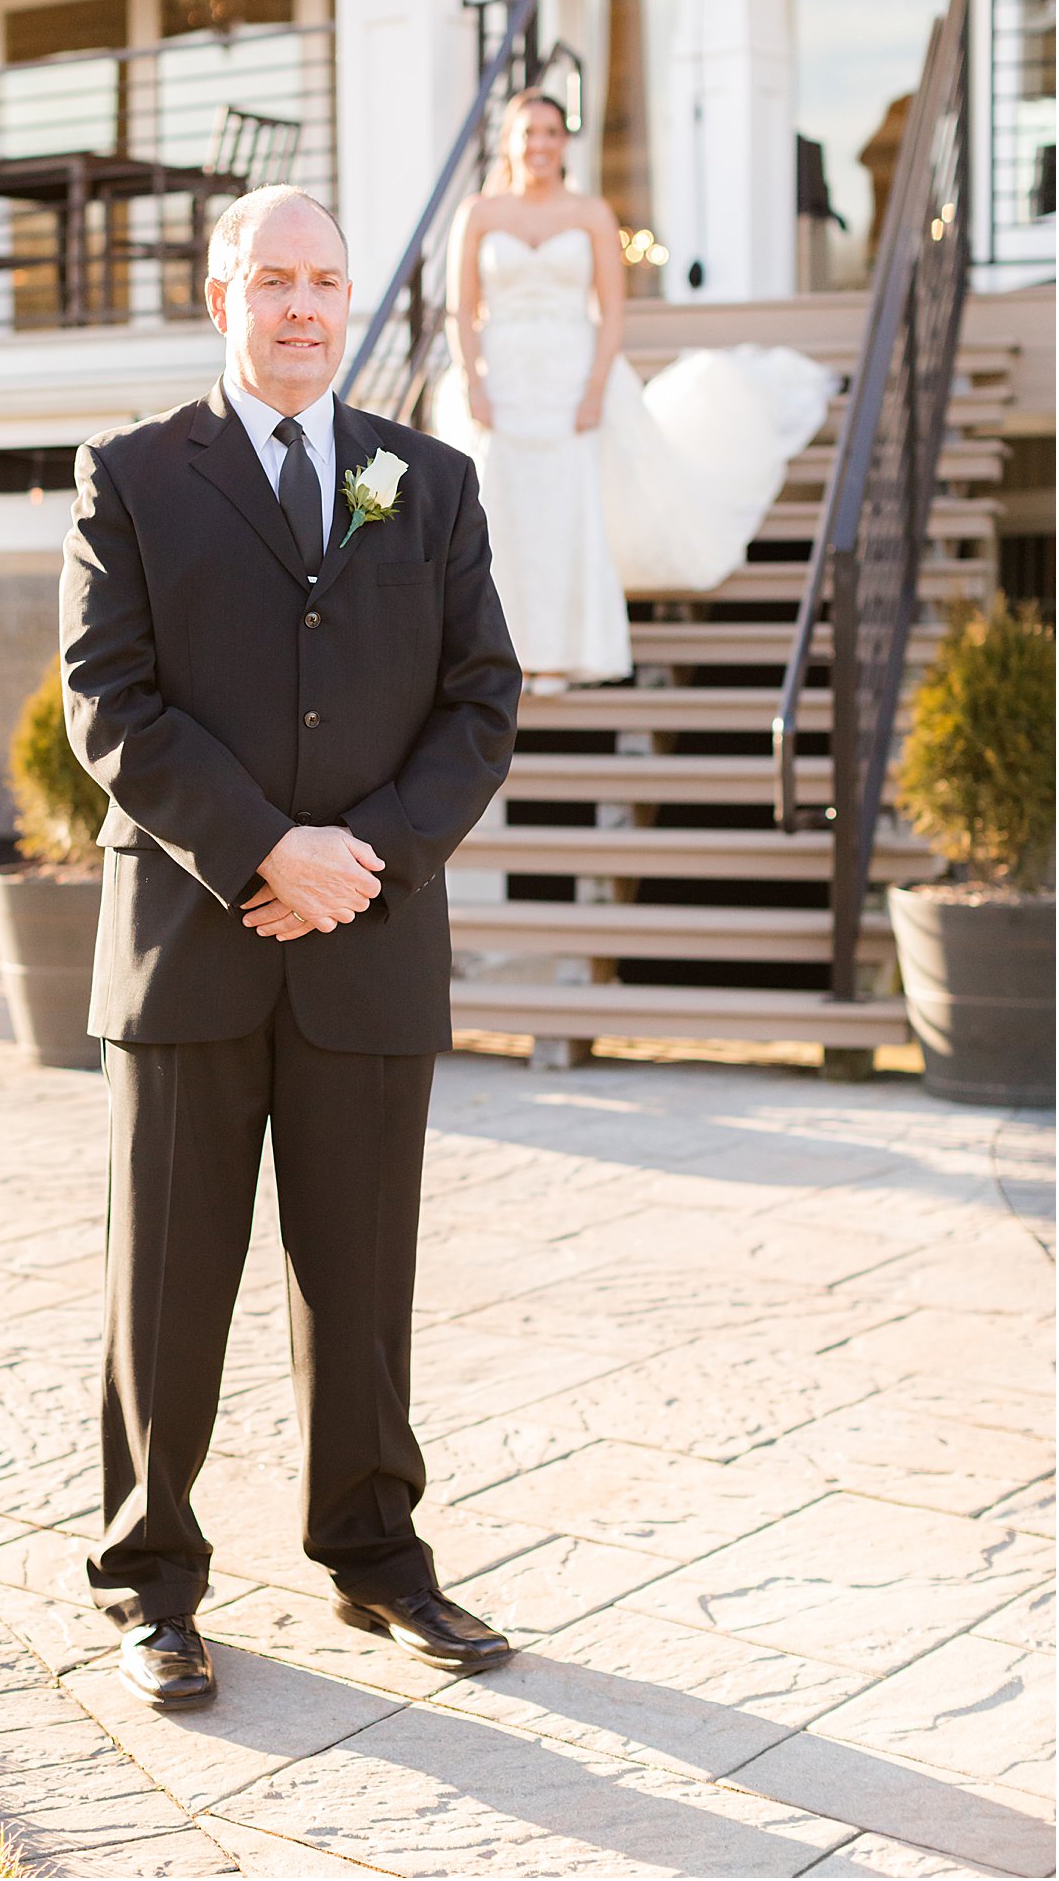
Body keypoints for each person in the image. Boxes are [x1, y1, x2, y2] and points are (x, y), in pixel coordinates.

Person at [59, 184, 521, 1709]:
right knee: (168, 1285)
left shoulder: (428, 482)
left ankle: (378, 1559)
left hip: (368, 947)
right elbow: (106, 701)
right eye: (274, 281)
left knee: (362, 1280)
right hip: (190, 949)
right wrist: (266, 848)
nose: (304, 307)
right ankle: (153, 1581)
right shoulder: (127, 476)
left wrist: (358, 862)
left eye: (325, 280)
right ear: (220, 299)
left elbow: (481, 701)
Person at [444, 90, 835, 689]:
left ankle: (567, 650)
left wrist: (596, 386)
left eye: (551, 132)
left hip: (572, 375)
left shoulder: (593, 213)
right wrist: (475, 382)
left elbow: (612, 313)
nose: (540, 144)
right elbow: (459, 310)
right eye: (528, 133)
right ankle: (502, 653)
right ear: (510, 141)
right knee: (501, 511)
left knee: (570, 509)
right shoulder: (479, 214)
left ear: (565, 141)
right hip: (505, 378)